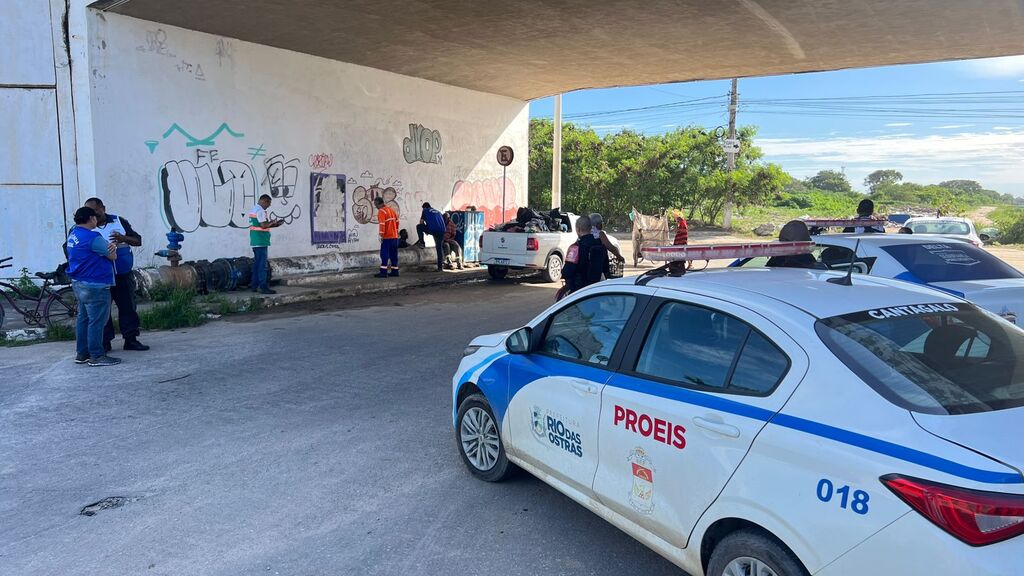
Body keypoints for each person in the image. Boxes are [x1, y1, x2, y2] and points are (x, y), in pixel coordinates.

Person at [82, 198, 149, 352]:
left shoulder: (119, 221)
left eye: (96, 211)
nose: (93, 216)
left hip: (122, 274)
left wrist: (123, 238)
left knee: (128, 308)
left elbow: (138, 240)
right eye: (90, 213)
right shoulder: (85, 226)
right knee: (102, 311)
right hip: (100, 278)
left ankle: (131, 340)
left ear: (103, 208)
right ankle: (105, 343)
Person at [66, 206, 120, 367]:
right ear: (91, 219)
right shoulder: (93, 237)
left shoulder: (74, 234)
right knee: (96, 321)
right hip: (96, 284)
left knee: (83, 319)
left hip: (79, 282)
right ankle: (96, 355)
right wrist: (114, 247)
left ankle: (82, 353)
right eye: (95, 217)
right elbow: (112, 255)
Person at [561, 215, 608, 295]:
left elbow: (567, 272)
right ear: (590, 228)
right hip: (595, 289)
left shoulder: (576, 247)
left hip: (579, 292)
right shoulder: (600, 245)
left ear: (578, 230)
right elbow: (606, 268)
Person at [249, 194, 283, 294]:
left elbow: (261, 225)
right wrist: (272, 222)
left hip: (256, 241)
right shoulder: (260, 211)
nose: (269, 206)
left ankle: (254, 285)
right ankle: (263, 287)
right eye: (268, 203)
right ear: (264, 201)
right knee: (262, 265)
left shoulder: (254, 209)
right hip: (261, 241)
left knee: (257, 264)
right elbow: (264, 225)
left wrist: (274, 225)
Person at [415, 202, 447, 271]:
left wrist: (425, 230)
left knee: (418, 227)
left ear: (424, 207)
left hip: (432, 229)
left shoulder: (425, 210)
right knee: (439, 248)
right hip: (442, 231)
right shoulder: (438, 212)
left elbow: (421, 222)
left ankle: (422, 243)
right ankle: (440, 268)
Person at [374, 197, 400, 278]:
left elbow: (382, 224)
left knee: (384, 254)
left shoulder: (381, 211)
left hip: (387, 237)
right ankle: (395, 271)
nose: (376, 207)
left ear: (379, 203)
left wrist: (381, 235)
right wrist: (395, 231)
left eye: (376, 205)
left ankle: (383, 272)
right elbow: (397, 221)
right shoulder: (391, 210)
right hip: (394, 236)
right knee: (393, 254)